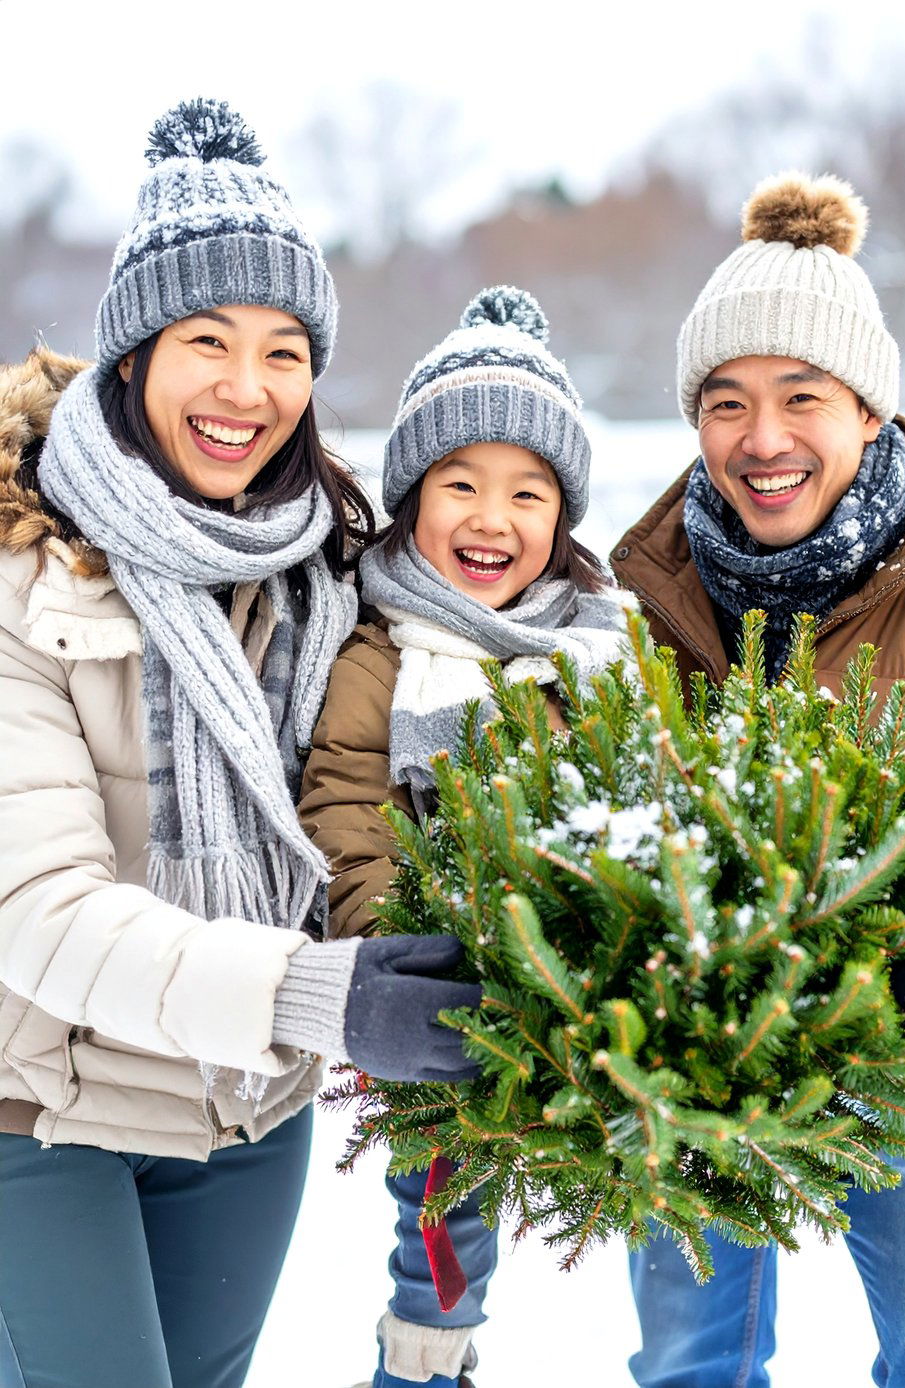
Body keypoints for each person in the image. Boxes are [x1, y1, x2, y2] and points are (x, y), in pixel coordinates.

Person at [0, 99, 479, 1388]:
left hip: (240, 1104)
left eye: (284, 349)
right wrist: (322, 993)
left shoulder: (326, 577)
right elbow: (36, 910)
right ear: (133, 359)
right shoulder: (20, 576)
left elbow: (398, 775)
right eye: (207, 339)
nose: (247, 387)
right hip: (32, 1106)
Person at [609, 171, 905, 1388]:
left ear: (869, 411)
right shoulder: (639, 608)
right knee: (685, 1358)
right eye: (726, 402)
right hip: (684, 1047)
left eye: (801, 396)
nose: (761, 440)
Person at [299, 285, 632, 1388]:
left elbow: (647, 786)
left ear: (562, 514)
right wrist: (403, 949)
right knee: (444, 1228)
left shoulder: (593, 645)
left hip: (590, 996)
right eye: (462, 484)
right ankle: (422, 1365)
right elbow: (348, 818)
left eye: (527, 491)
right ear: (412, 498)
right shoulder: (380, 655)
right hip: (448, 1003)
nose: (494, 517)